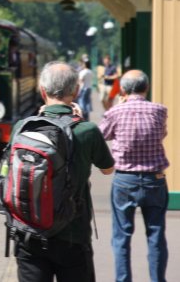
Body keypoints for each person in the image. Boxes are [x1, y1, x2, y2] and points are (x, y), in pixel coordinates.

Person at [12, 61, 114, 282]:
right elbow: (108, 169)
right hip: (72, 235)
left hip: (28, 233)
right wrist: (80, 120)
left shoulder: (20, 128)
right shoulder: (87, 130)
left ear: (42, 91)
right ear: (76, 91)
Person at [98, 70, 169, 282]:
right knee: (156, 236)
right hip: (154, 179)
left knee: (121, 238)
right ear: (146, 88)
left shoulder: (115, 112)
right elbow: (161, 134)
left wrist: (120, 106)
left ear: (123, 89)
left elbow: (101, 136)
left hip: (124, 180)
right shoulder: (159, 111)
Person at [77, 56, 94, 120]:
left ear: (85, 64)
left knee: (81, 101)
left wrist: (79, 90)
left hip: (83, 88)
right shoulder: (90, 71)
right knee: (87, 102)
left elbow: (80, 81)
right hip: (89, 88)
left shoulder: (83, 72)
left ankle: (83, 115)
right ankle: (87, 116)